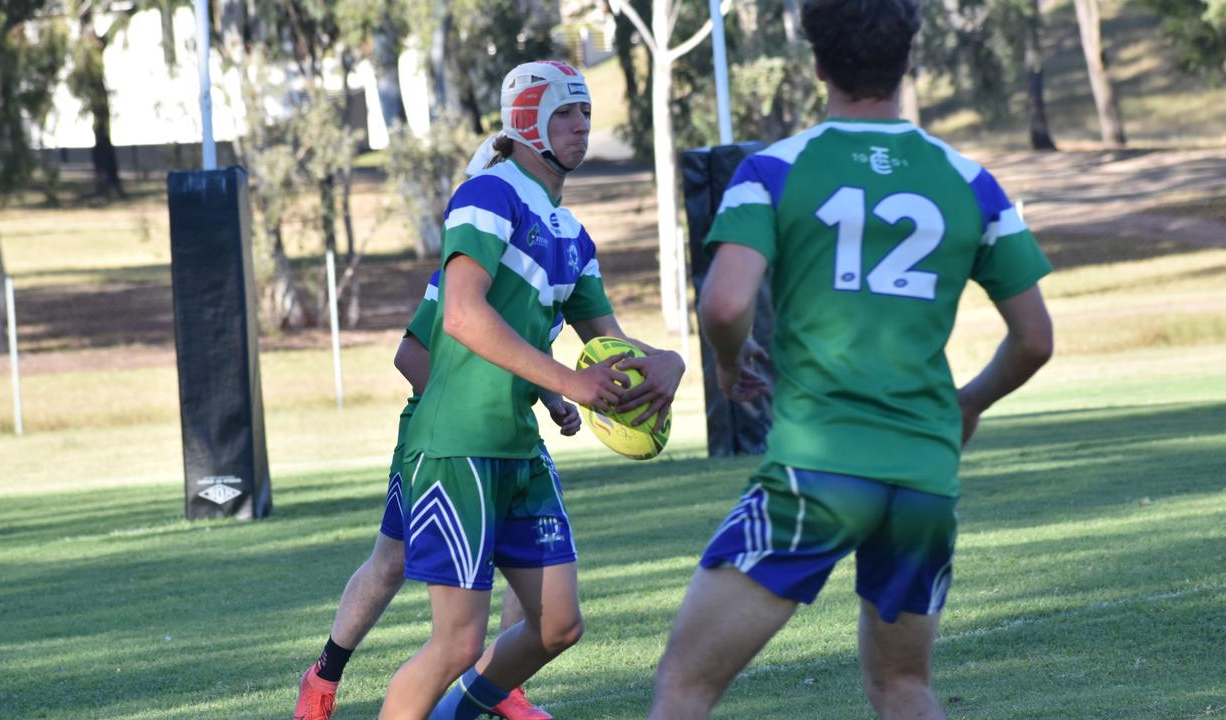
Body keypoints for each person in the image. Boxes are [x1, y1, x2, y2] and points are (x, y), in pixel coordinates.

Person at [648, 1, 1055, 717]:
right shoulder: (971, 181)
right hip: (925, 478)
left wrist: (726, 362)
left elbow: (723, 305)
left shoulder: (774, 169)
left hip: (819, 471)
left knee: (686, 682)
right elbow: (1034, 339)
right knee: (903, 687)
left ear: (814, 63)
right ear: (908, 60)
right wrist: (968, 402)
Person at [379, 60, 685, 720]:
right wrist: (570, 383)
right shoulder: (489, 195)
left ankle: (454, 715)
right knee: (456, 642)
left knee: (557, 626)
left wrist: (669, 364)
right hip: (458, 446)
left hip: (519, 451)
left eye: (585, 114)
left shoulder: (572, 233)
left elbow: (612, 345)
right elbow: (460, 314)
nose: (581, 126)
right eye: (565, 114)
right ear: (525, 122)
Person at [293, 271, 575, 720]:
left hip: (512, 438)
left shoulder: (557, 256)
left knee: (534, 555)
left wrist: (553, 398)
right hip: (440, 441)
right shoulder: (478, 248)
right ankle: (322, 678)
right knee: (392, 562)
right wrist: (465, 423)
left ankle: (502, 685)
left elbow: (531, 349)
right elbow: (410, 356)